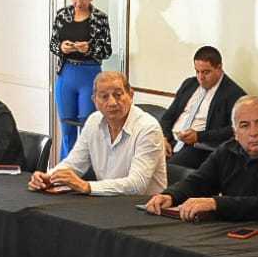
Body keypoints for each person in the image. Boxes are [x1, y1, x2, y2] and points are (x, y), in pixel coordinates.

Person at [144, 96, 258, 223]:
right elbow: (199, 181)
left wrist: (215, 203)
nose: (254, 132)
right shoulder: (227, 150)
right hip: (228, 227)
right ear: (235, 133)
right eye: (245, 126)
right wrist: (171, 195)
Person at [28, 71, 165, 199]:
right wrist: (49, 177)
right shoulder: (94, 121)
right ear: (94, 100)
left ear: (130, 95)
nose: (112, 102)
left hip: (142, 207)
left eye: (118, 95)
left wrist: (86, 186)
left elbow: (137, 185)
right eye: (104, 97)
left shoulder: (148, 129)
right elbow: (74, 164)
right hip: (105, 203)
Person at [48, 0, 113, 157]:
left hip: (89, 75)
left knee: (88, 128)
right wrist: (62, 47)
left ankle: (86, 169)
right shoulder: (62, 15)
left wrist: (90, 49)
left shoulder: (100, 18)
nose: (78, 2)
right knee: (67, 130)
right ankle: (64, 168)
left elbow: (107, 50)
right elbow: (53, 44)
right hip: (67, 74)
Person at [159, 45, 248, 168]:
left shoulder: (234, 94)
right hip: (170, 140)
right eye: (197, 71)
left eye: (206, 72)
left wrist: (199, 136)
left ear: (219, 68)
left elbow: (233, 130)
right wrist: (164, 138)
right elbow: (168, 116)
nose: (200, 77)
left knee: (165, 169)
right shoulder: (189, 84)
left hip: (198, 146)